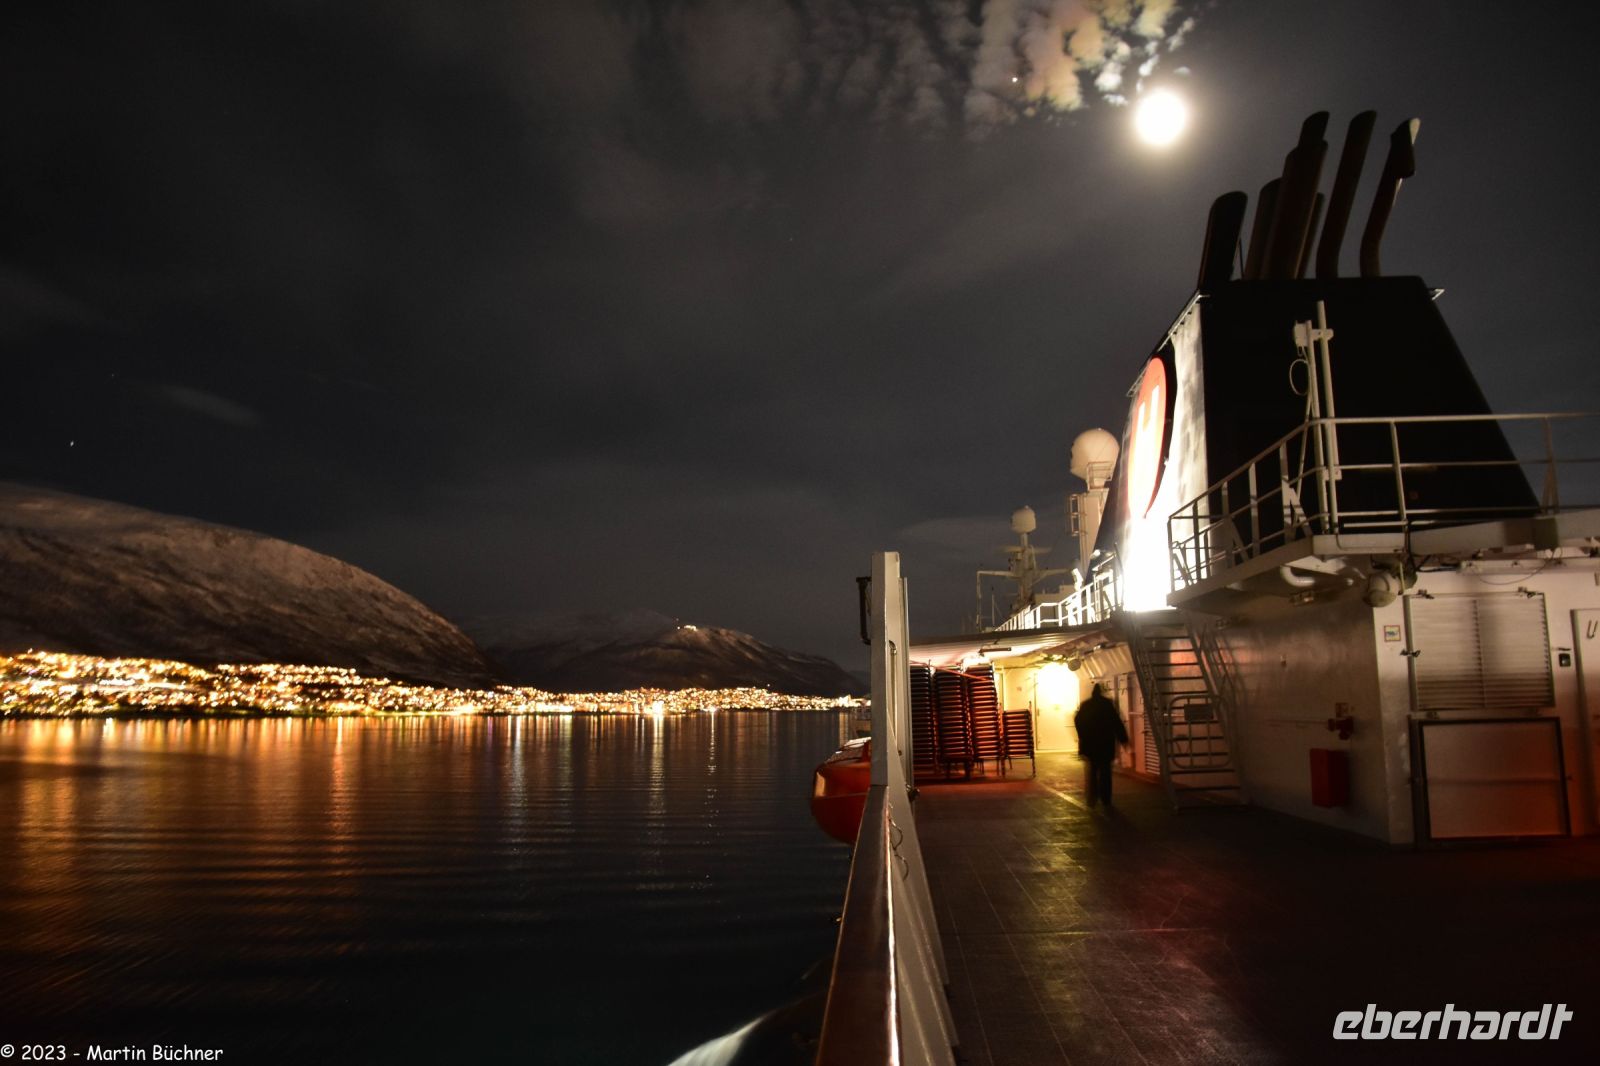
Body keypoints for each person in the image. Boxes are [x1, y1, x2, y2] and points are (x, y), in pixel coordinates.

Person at [1074, 683, 1129, 808]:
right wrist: (1123, 739)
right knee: (1106, 772)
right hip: (1106, 744)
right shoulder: (1107, 704)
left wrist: (1082, 737)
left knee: (1092, 771)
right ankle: (1106, 798)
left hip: (1091, 745)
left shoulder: (1086, 705)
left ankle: (1092, 797)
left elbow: (1078, 721)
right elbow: (1116, 722)